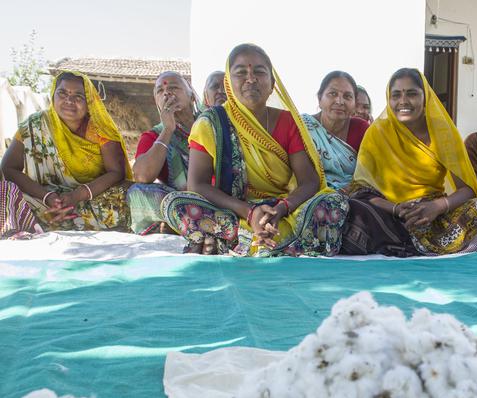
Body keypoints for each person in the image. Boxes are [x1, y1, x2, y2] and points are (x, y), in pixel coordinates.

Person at [161, 44, 348, 256]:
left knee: (333, 201)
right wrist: (249, 213)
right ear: (228, 84)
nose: (251, 79)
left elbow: (309, 181)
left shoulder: (288, 121)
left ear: (272, 84)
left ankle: (242, 243)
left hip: (284, 212)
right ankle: (280, 243)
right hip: (234, 211)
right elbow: (197, 185)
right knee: (174, 204)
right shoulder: (209, 124)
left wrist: (281, 209)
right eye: (241, 72)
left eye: (259, 72)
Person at [341, 68, 477, 257]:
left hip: (432, 215)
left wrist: (438, 206)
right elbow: (361, 190)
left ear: (426, 98)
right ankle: (403, 243)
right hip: (389, 214)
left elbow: (468, 189)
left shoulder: (443, 133)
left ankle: (402, 246)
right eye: (396, 95)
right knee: (354, 209)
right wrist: (396, 208)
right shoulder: (377, 132)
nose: (403, 101)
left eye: (412, 94)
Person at [0, 70, 131, 236]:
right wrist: (48, 196)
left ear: (89, 101)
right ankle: (22, 228)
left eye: (78, 96)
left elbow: (116, 173)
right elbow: (8, 168)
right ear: (53, 96)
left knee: (135, 193)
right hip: (43, 202)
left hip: (92, 200)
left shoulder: (100, 130)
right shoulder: (34, 125)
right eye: (62, 93)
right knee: (4, 191)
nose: (69, 100)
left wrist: (77, 196)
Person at [126, 71, 202, 234]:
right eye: (160, 91)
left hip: (216, 195)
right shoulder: (153, 136)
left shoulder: (211, 123)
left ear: (192, 97)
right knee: (137, 193)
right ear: (157, 103)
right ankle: (193, 221)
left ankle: (185, 223)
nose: (167, 92)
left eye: (174, 87)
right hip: (181, 202)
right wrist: (168, 130)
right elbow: (142, 177)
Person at [302, 71, 369, 191]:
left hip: (353, 195)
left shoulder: (361, 129)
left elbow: (369, 173)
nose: (339, 101)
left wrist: (344, 192)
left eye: (347, 96)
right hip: (308, 193)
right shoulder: (303, 126)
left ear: (354, 104)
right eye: (332, 94)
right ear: (319, 98)